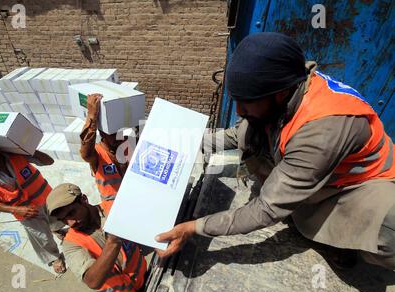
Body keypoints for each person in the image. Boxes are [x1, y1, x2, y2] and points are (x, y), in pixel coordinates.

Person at [155, 32, 395, 270]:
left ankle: (342, 237)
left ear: (280, 94)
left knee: (388, 234)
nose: (238, 110)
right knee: (252, 127)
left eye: (246, 101)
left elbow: (267, 210)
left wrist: (194, 227)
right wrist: (180, 141)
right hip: (319, 167)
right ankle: (300, 202)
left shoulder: (321, 129)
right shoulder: (286, 83)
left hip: (358, 185)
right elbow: (233, 135)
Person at [0, 138, 66, 273]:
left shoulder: (16, 155)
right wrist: (16, 209)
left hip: (45, 197)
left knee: (56, 218)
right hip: (26, 213)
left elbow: (49, 161)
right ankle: (53, 257)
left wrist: (29, 150)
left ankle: (56, 229)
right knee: (41, 237)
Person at [46, 183, 147, 292]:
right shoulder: (71, 244)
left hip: (145, 278)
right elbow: (92, 281)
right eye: (63, 219)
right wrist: (113, 243)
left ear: (84, 200)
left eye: (71, 213)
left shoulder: (113, 210)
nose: (70, 223)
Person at [79, 94, 137, 216]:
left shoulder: (127, 143)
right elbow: (85, 153)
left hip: (133, 201)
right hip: (114, 210)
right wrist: (92, 117)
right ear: (102, 133)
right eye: (112, 133)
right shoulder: (97, 154)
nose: (118, 136)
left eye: (119, 132)